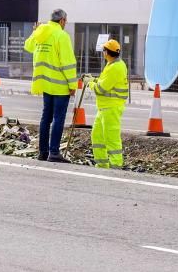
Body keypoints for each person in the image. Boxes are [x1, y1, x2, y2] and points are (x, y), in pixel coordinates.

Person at [24, 9, 78, 163]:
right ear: (61, 20)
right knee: (58, 118)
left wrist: (34, 32)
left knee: (45, 118)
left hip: (45, 84)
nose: (65, 24)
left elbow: (28, 46)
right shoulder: (61, 36)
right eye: (65, 22)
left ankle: (43, 152)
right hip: (60, 85)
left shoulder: (41, 33)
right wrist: (72, 84)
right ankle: (54, 153)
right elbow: (67, 62)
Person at [87, 39, 129, 169]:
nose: (103, 53)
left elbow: (100, 89)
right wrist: (93, 79)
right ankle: (102, 164)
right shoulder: (112, 64)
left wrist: (89, 83)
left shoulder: (115, 67)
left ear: (107, 52)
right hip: (105, 108)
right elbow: (103, 82)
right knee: (97, 135)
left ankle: (116, 165)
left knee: (111, 137)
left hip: (111, 107)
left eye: (104, 50)